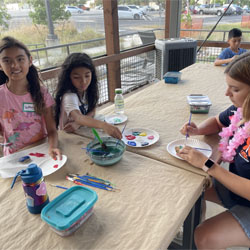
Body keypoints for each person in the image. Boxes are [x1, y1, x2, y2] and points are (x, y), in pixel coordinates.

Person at [179, 51, 250, 249]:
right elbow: (219, 122)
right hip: (237, 192)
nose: (227, 94)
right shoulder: (242, 110)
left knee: (205, 236)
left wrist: (207, 164)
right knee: (192, 191)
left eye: (234, 89)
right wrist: (199, 129)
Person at [0, 36, 61, 160]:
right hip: (14, 157)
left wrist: (53, 147)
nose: (14, 65)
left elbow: (52, 129)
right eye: (7, 61)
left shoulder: (42, 92)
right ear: (0, 65)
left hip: (42, 151)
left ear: (30, 60)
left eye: (20, 59)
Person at [54, 53, 122, 139]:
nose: (83, 81)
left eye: (87, 76)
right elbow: (78, 117)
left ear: (92, 74)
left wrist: (77, 124)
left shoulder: (88, 90)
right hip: (68, 136)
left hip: (80, 130)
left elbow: (92, 111)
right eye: (76, 77)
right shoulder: (69, 96)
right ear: (68, 77)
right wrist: (104, 125)